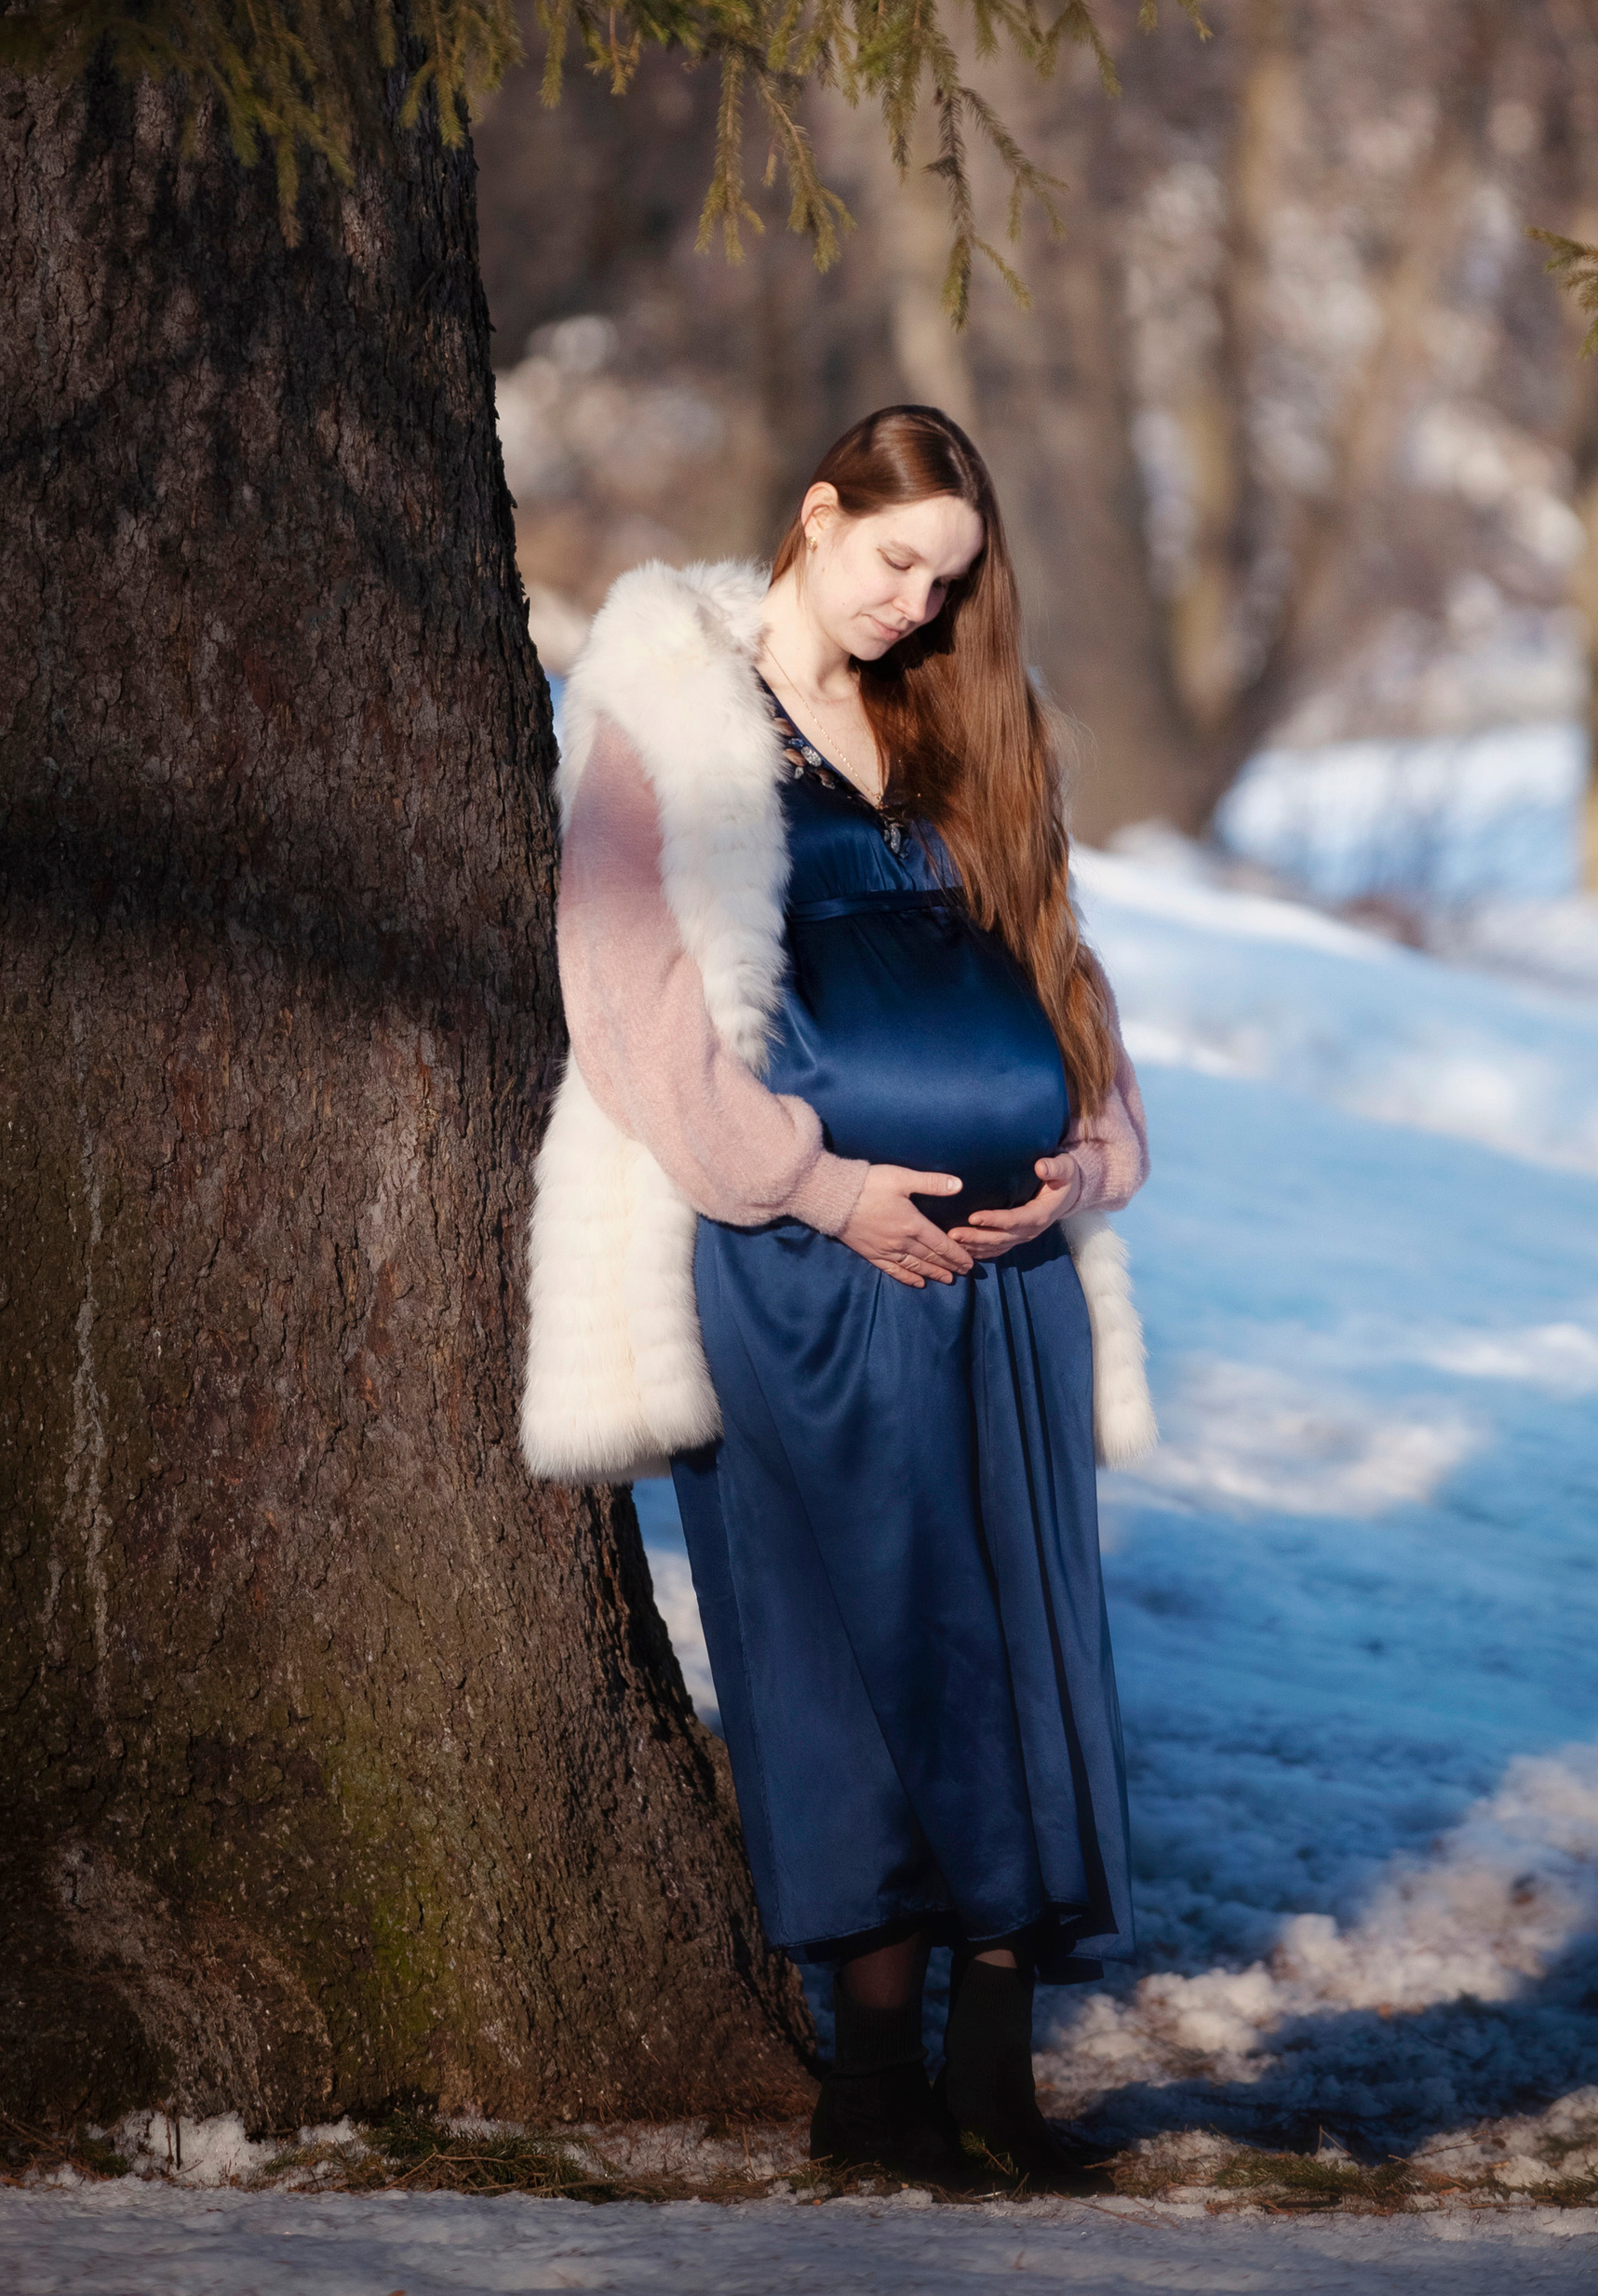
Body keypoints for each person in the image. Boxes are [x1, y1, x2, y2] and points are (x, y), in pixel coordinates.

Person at [523, 405, 1153, 2183]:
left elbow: (1059, 964)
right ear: (817, 517)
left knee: (1024, 1636)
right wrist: (818, 1184)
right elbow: (634, 1004)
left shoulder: (968, 726)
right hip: (808, 1258)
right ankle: (872, 2089)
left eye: (949, 583)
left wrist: (1086, 1158)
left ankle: (996, 2079)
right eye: (896, 563)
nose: (915, 607)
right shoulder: (672, 709)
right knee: (854, 1634)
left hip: (1007, 1272)